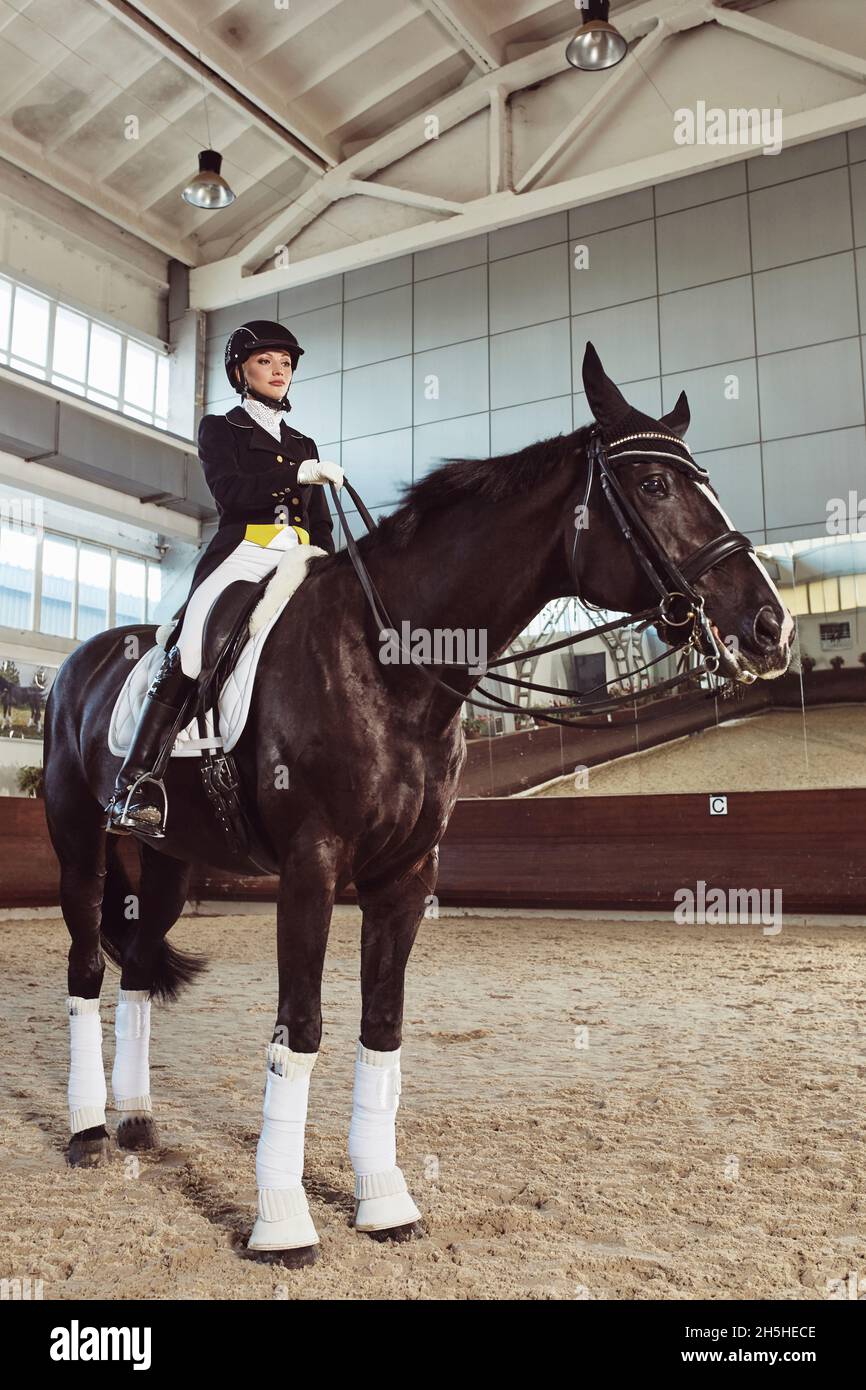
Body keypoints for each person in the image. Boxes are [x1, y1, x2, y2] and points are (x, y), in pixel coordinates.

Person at [105, 320, 343, 837]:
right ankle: (135, 782)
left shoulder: (306, 441)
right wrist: (296, 475)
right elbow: (231, 492)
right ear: (241, 371)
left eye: (285, 364)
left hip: (301, 555)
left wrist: (332, 558)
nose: (278, 371)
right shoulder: (221, 428)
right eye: (265, 362)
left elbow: (318, 519)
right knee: (193, 642)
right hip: (245, 550)